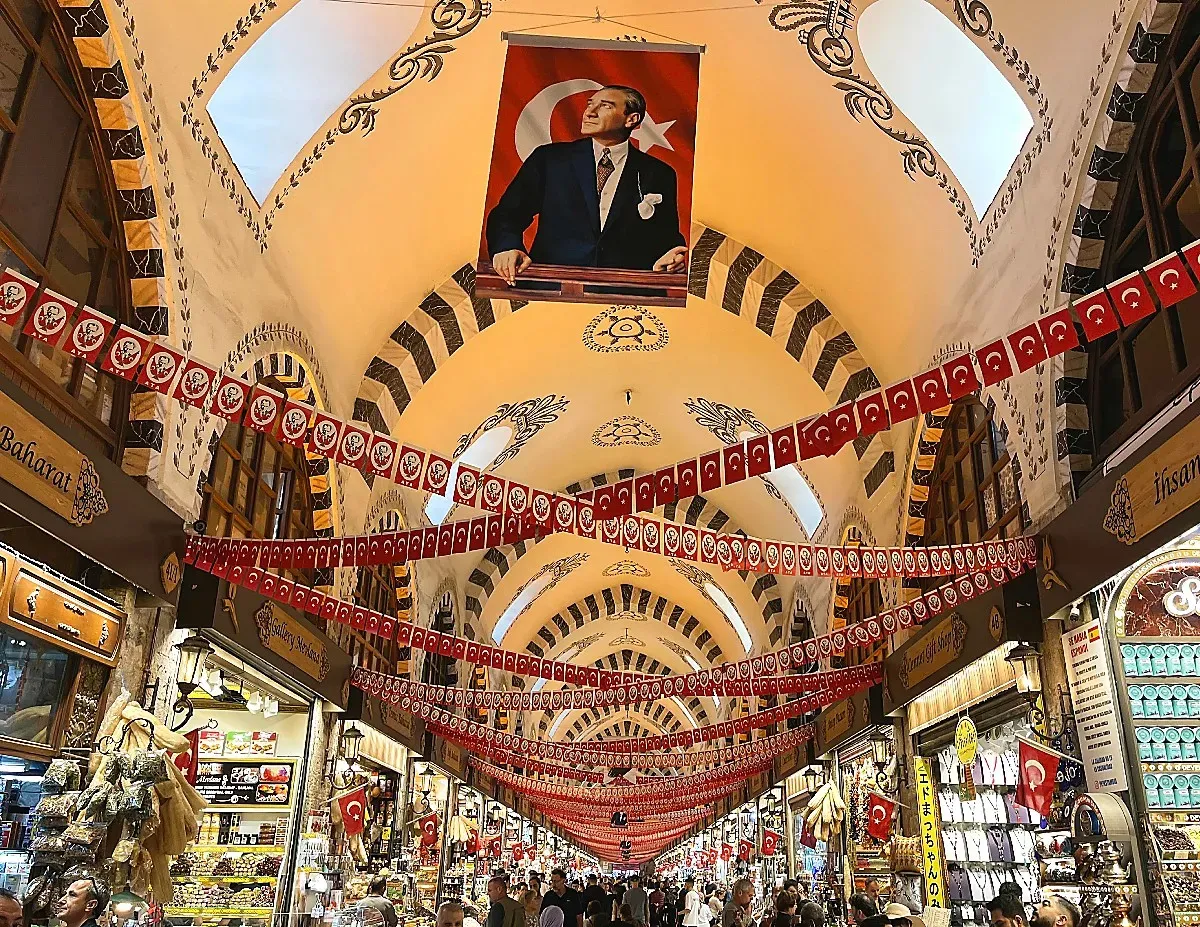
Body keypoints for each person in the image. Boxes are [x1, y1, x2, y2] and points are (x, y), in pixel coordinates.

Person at [486, 87, 688, 282]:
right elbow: (507, 215)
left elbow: (666, 236)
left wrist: (670, 258)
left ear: (632, 119)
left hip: (626, 293)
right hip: (550, 287)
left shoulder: (659, 173)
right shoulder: (549, 159)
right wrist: (506, 247)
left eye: (605, 106)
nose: (589, 112)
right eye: (590, 104)